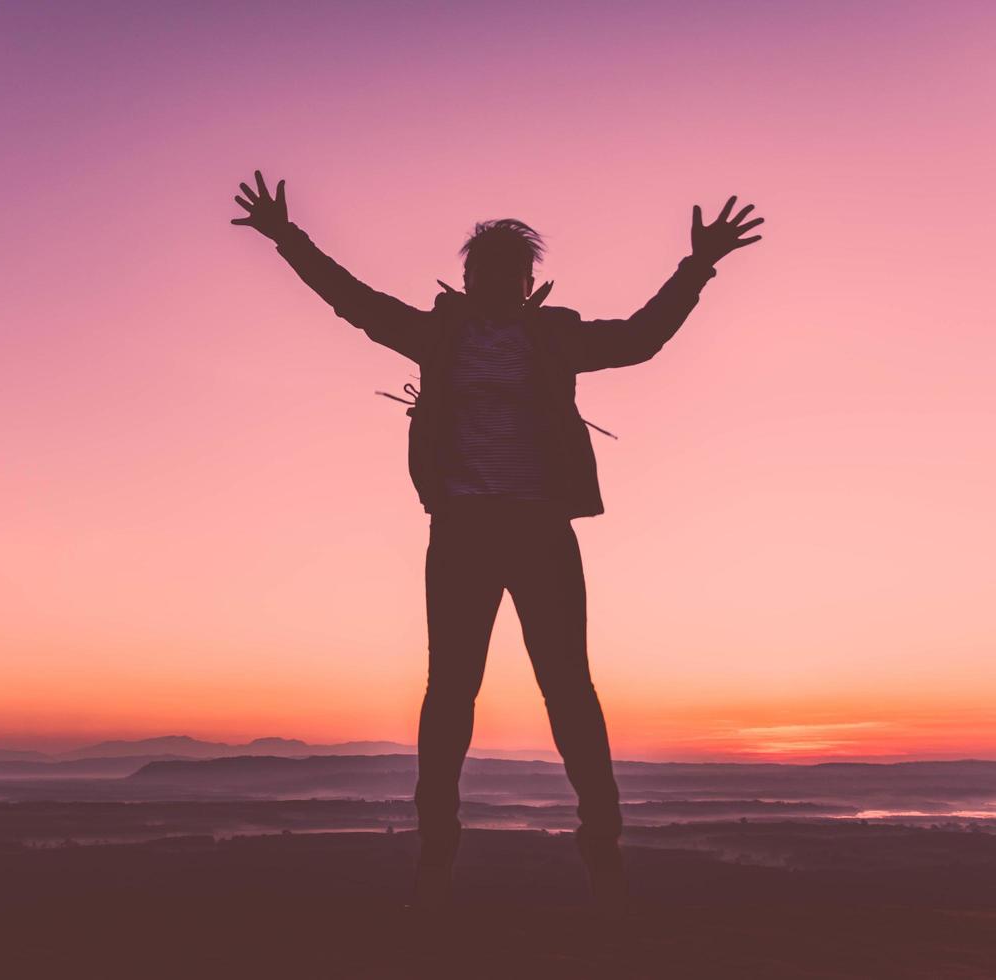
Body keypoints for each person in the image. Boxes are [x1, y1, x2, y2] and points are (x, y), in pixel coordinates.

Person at [230, 170, 763, 918]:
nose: (496, 281)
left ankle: (601, 857)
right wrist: (288, 237)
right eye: (484, 269)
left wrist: (698, 263)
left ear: (528, 283)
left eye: (511, 272)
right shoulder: (434, 335)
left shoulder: (555, 339)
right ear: (466, 277)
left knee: (568, 692)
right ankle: (434, 864)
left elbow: (641, 340)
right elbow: (352, 303)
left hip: (540, 530)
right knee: (450, 695)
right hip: (462, 532)